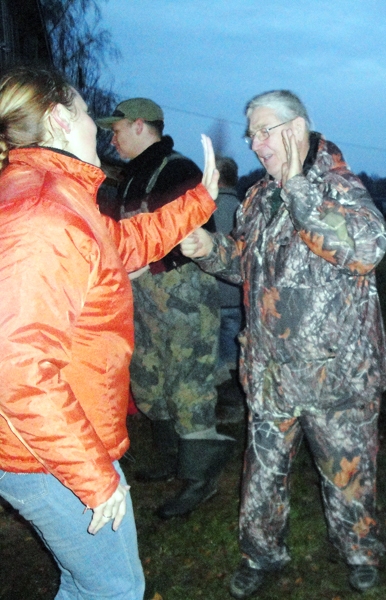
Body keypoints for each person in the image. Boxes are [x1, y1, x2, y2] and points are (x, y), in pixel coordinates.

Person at [0, 66, 219, 599]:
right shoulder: (42, 212)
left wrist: (197, 203)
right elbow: (16, 369)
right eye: (82, 111)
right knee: (112, 590)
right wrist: (94, 478)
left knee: (91, 584)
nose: (98, 129)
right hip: (49, 452)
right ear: (56, 119)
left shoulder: (55, 195)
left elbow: (118, 246)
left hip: (56, 440)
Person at [180, 90, 386, 597]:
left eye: (264, 131)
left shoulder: (339, 186)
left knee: (349, 478)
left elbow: (366, 250)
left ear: (297, 128)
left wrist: (297, 186)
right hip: (272, 372)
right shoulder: (257, 198)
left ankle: (360, 551)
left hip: (337, 376)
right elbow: (245, 267)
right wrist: (210, 249)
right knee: (262, 477)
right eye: (251, 133)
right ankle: (261, 553)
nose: (255, 143)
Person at [97, 98, 232, 520]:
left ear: (140, 125)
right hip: (142, 297)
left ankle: (200, 479)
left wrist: (150, 262)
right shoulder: (127, 179)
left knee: (189, 383)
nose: (111, 137)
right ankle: (173, 459)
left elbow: (198, 232)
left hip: (184, 295)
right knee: (150, 378)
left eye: (116, 129)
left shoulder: (179, 171)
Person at [212, 156, 246, 424]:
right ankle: (234, 409)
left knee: (219, 359)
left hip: (214, 298)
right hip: (236, 297)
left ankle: (225, 410)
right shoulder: (243, 208)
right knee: (234, 356)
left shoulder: (209, 209)